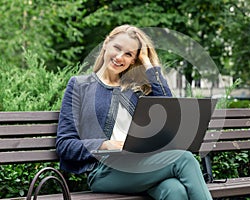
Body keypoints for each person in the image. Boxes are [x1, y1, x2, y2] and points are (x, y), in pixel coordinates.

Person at [56, 24, 212, 200]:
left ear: (133, 61)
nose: (119, 57)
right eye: (117, 48)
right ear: (106, 43)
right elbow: (65, 144)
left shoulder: (137, 89)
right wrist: (104, 144)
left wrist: (147, 62)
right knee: (184, 159)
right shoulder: (79, 86)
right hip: (103, 171)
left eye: (129, 54)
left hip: (143, 164)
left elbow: (169, 109)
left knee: (175, 190)